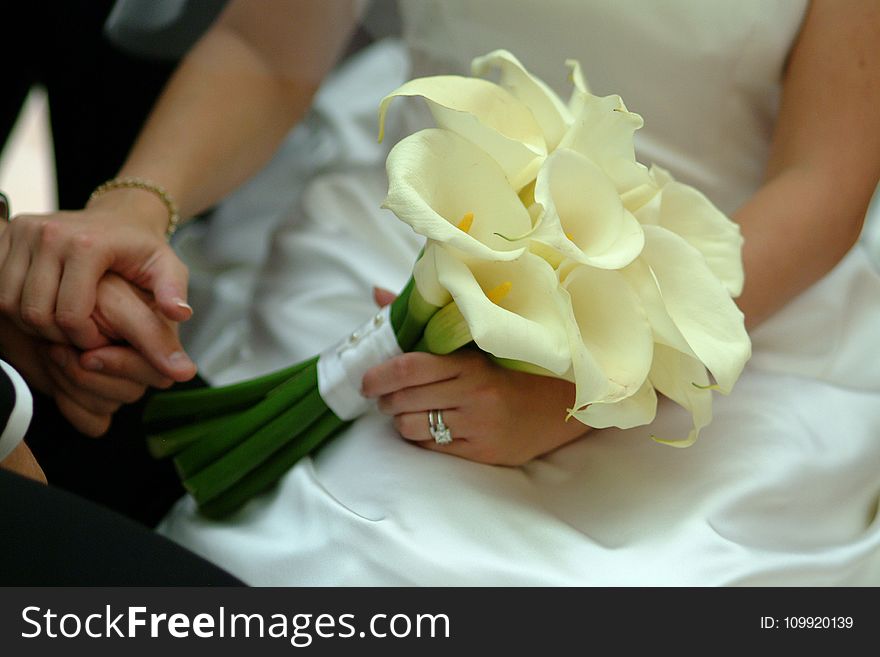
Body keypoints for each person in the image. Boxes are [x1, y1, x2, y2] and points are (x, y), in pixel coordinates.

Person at [1, 0, 880, 584]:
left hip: (726, 286)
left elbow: (823, 176)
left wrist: (589, 385)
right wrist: (137, 202)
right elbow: (267, 51)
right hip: (416, 217)